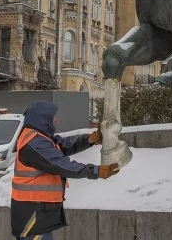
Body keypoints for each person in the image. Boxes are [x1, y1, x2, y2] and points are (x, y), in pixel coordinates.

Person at [10, 101, 119, 239]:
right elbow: (60, 164)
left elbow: (62, 145)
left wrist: (89, 140)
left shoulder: (40, 137)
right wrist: (95, 171)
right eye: (54, 116)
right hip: (32, 211)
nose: (56, 120)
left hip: (37, 210)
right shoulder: (34, 143)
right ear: (44, 119)